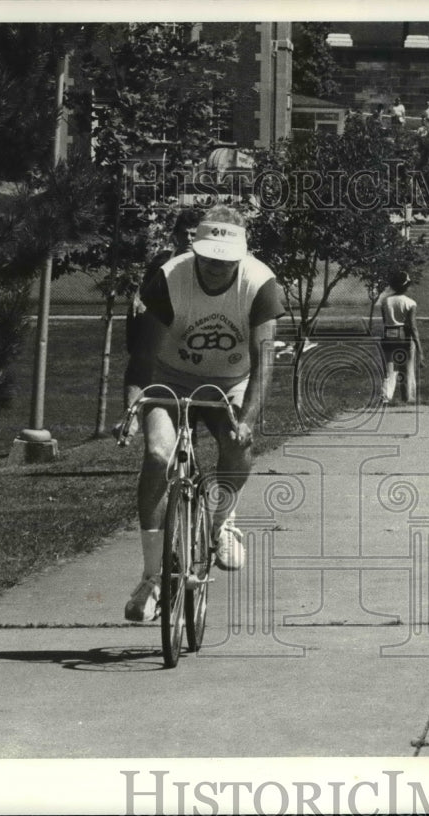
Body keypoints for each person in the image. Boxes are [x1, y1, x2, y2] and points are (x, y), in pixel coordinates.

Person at [123, 204, 285, 622]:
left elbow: (263, 359)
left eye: (225, 259)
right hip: (169, 377)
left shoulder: (261, 284)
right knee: (159, 455)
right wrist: (132, 405)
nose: (215, 266)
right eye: (208, 256)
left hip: (230, 379)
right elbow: (142, 357)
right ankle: (152, 577)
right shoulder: (169, 278)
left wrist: (246, 419)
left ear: (241, 256)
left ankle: (223, 523)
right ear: (195, 250)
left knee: (235, 442)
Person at [118, 209, 202, 438]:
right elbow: (145, 290)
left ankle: (188, 446)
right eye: (184, 234)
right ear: (175, 236)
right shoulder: (163, 261)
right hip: (161, 329)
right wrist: (138, 300)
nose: (188, 239)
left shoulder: (205, 265)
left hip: (192, 334)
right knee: (141, 363)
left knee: (190, 394)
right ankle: (130, 415)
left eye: (194, 235)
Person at [379, 272, 423, 405]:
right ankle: (408, 396)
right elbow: (413, 326)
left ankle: (386, 396)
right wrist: (420, 348)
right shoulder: (410, 303)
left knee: (389, 368)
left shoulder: (385, 301)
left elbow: (384, 320)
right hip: (404, 336)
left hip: (388, 335)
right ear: (406, 286)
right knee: (407, 367)